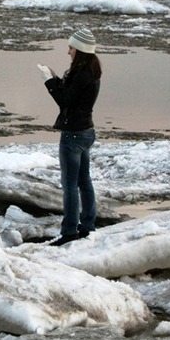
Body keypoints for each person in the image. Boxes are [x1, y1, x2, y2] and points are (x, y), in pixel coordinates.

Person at [37, 28, 101, 247]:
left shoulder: (82, 74)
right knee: (85, 181)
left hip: (73, 135)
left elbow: (65, 100)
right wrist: (57, 78)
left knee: (70, 185)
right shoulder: (91, 70)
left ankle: (70, 231)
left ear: (80, 50)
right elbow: (72, 96)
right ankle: (88, 225)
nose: (68, 52)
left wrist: (49, 83)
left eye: (71, 48)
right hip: (86, 131)